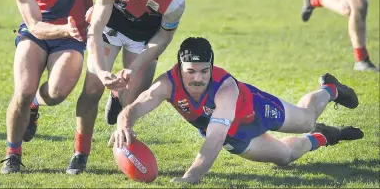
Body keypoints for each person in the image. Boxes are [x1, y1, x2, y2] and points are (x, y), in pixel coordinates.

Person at [109, 37, 364, 184]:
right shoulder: (166, 84)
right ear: (179, 67)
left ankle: (330, 89)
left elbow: (214, 139)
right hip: (235, 134)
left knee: (307, 119)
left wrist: (191, 177)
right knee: (285, 157)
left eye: (204, 71)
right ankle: (327, 136)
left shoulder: (226, 89)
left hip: (255, 109)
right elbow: (135, 106)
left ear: (211, 67)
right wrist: (125, 123)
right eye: (191, 71)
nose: (198, 78)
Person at [65, 0, 186, 174]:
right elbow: (96, 29)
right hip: (111, 30)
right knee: (91, 89)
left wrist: (134, 67)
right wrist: (101, 72)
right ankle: (80, 153)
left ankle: (119, 103)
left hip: (144, 39)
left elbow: (163, 39)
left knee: (134, 100)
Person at [0, 0, 107, 174]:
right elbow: (35, 25)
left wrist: (105, 0)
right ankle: (12, 154)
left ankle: (37, 104)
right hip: (40, 33)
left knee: (57, 94)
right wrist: (63, 28)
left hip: (74, 35)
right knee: (23, 91)